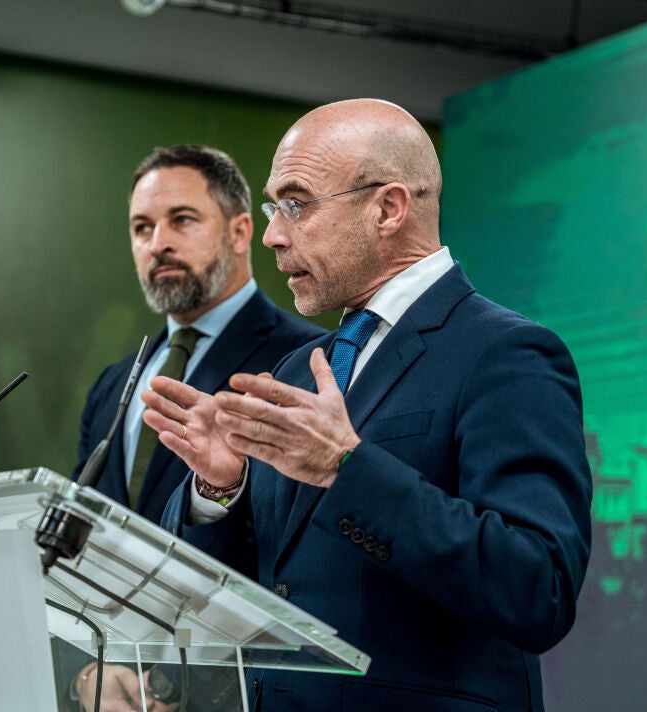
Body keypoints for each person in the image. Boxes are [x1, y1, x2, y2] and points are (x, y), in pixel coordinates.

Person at [142, 100, 593, 711]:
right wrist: (221, 488)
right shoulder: (299, 369)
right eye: (274, 208)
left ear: (388, 208)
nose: (274, 235)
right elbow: (268, 582)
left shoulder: (507, 354)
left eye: (296, 204)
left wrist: (346, 467)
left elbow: (538, 589)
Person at [65, 144, 325, 712]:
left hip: (243, 692)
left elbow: (298, 552)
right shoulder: (112, 384)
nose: (158, 242)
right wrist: (88, 673)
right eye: (142, 227)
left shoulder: (307, 362)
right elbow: (80, 549)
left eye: (181, 219)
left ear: (240, 232)